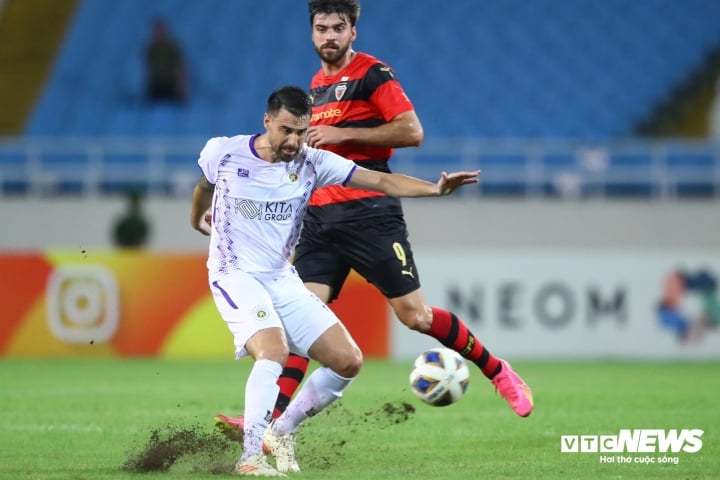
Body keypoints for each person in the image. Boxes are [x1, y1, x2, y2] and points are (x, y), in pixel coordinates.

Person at [215, 0, 533, 441]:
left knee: (416, 317)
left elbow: (411, 131)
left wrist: (346, 134)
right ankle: (268, 423)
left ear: (352, 32)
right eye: (321, 28)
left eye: (338, 28)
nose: (329, 36)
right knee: (298, 320)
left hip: (370, 214)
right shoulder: (313, 90)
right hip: (319, 220)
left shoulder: (372, 74)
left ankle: (498, 371)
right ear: (312, 33)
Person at [191, 85, 479, 476]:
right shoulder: (223, 151)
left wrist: (435, 189)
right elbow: (205, 186)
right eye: (286, 130)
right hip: (234, 273)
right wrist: (197, 219)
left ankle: (281, 430)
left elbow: (381, 182)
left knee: (347, 361)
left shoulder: (313, 162)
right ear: (267, 122)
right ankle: (250, 458)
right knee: (273, 352)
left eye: (301, 131)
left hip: (280, 276)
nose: (294, 141)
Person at [144, 18, 188, 103]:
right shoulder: (151, 49)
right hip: (157, 83)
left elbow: (180, 68)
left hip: (170, 83)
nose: (158, 34)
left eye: (161, 31)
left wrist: (181, 88)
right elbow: (148, 70)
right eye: (156, 31)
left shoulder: (172, 48)